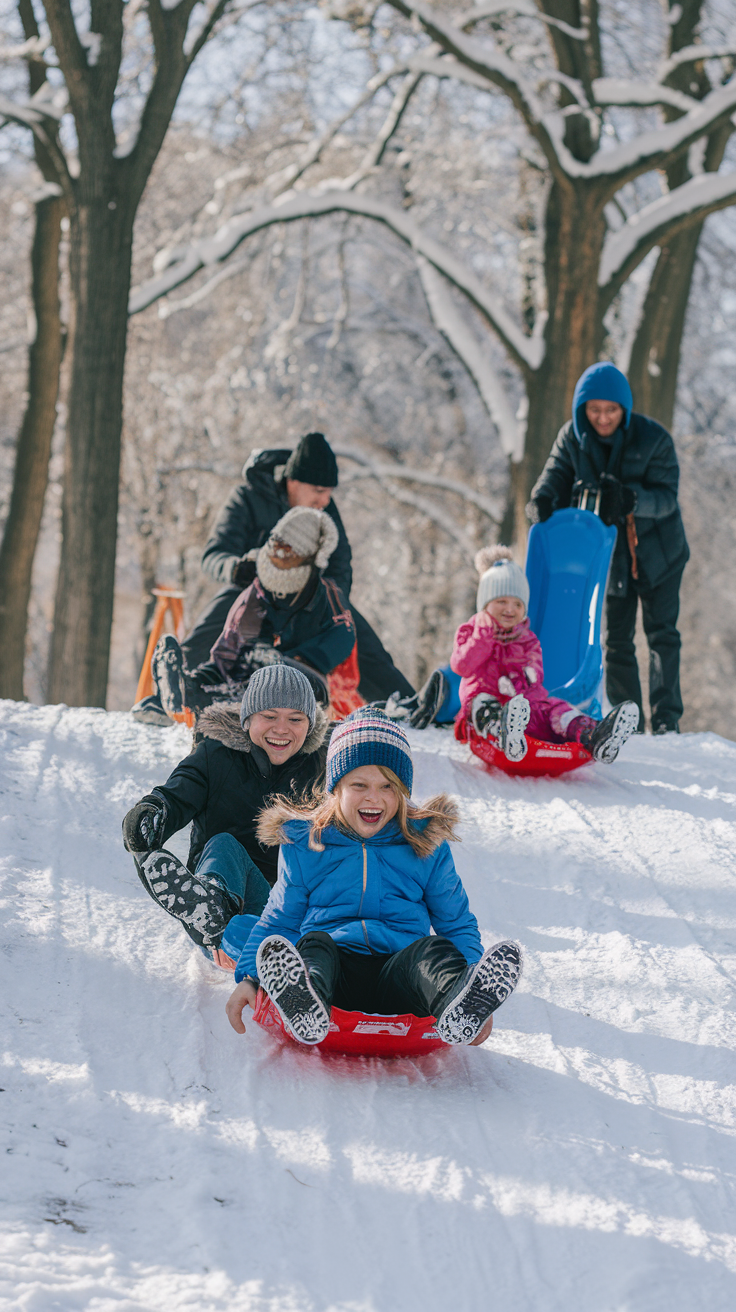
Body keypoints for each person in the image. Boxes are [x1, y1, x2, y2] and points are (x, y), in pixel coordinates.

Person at [224, 708, 523, 1047]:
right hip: (333, 981)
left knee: (433, 950)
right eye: (359, 785)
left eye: (388, 786)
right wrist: (250, 978)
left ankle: (459, 1002)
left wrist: (469, 975)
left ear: (403, 791)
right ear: (336, 788)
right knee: (315, 944)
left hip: (402, 978)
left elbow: (456, 924)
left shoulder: (425, 843)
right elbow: (280, 919)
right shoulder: (306, 843)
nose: (374, 797)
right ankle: (304, 1004)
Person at [181, 431, 414, 703]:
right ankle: (178, 685)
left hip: (312, 597)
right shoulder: (249, 497)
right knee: (222, 618)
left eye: (329, 492)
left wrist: (329, 598)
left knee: (352, 629)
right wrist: (236, 568)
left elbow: (341, 564)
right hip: (257, 591)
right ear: (294, 481)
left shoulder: (325, 510)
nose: (325, 500)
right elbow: (214, 555)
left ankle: (407, 703)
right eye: (318, 491)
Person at [122, 665, 332, 965]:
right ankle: (213, 908)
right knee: (225, 845)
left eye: (295, 719)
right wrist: (155, 811)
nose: (282, 728)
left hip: (286, 907)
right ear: (247, 719)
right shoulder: (216, 754)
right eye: (269, 716)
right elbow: (180, 790)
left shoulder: (321, 767)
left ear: (309, 725)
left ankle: (265, 954)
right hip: (228, 900)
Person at [528, 362, 689, 734]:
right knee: (616, 639)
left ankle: (667, 719)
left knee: (662, 633)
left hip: (659, 554)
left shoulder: (654, 439)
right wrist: (542, 500)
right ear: (582, 409)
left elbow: (667, 498)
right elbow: (555, 474)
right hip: (610, 557)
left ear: (625, 410)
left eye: (611, 410)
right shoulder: (573, 437)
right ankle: (629, 719)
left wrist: (632, 500)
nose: (602, 418)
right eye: (594, 410)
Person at [134, 505, 357, 724]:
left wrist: (294, 659)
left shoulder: (326, 596)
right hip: (254, 672)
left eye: (286, 552)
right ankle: (184, 690)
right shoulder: (258, 592)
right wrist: (232, 663)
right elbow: (229, 648)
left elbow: (343, 636)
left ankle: (238, 698)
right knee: (228, 671)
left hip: (308, 684)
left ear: (307, 558)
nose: (277, 555)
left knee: (273, 683)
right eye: (275, 547)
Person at [451, 547, 639, 763]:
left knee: (556, 708)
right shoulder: (471, 630)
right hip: (484, 716)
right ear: (485, 604)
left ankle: (595, 736)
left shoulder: (527, 638)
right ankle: (502, 734)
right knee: (482, 702)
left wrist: (523, 679)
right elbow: (461, 666)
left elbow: (536, 674)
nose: (510, 609)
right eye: (501, 601)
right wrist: (484, 634)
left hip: (523, 710)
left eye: (518, 604)